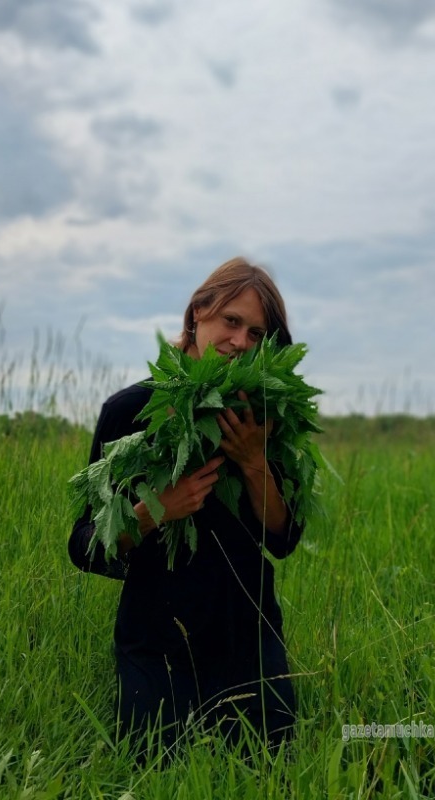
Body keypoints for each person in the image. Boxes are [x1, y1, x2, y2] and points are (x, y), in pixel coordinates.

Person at [68, 257, 303, 757]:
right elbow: (85, 545)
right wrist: (155, 509)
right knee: (155, 759)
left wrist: (255, 463)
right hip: (158, 634)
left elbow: (284, 540)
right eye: (231, 321)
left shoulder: (267, 412)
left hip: (246, 627)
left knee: (271, 758)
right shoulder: (129, 411)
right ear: (198, 312)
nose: (241, 341)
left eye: (258, 333)